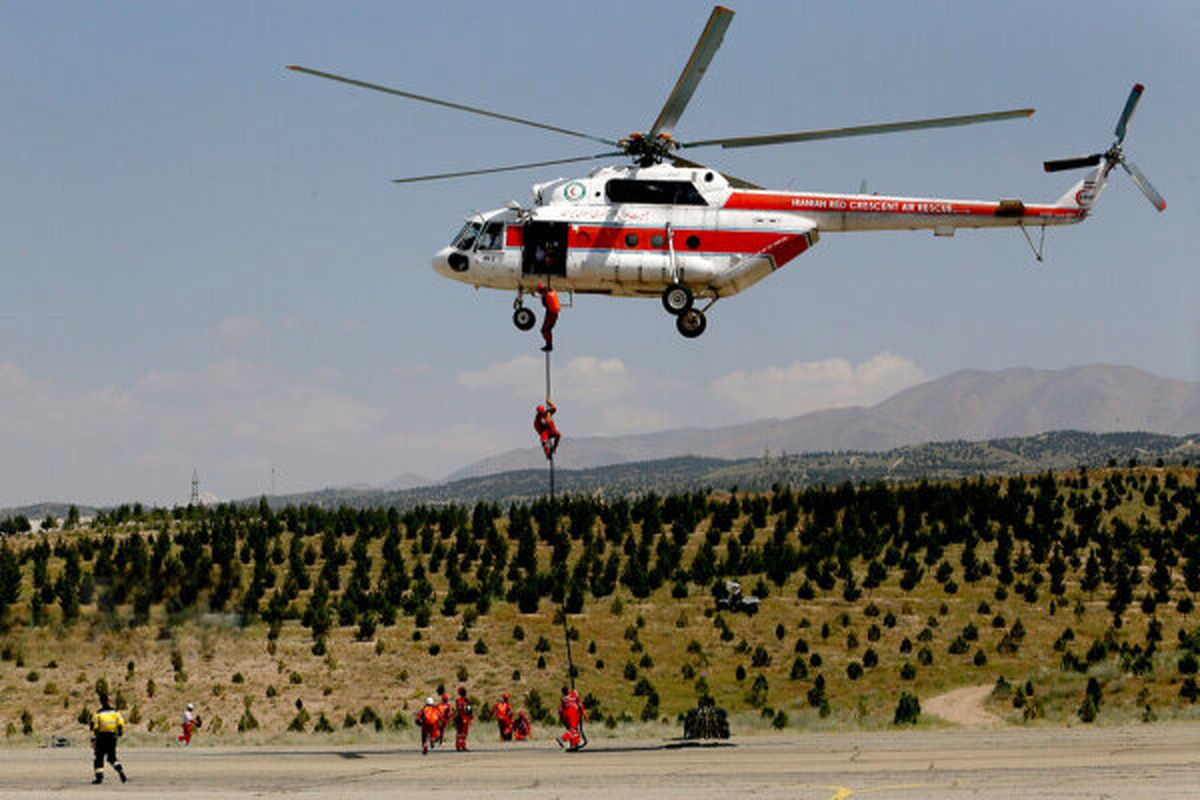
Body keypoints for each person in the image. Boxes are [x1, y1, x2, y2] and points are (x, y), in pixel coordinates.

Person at [90, 692, 127, 784]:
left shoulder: (98, 714)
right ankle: (120, 771)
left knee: (99, 757)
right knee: (112, 758)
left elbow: (93, 726)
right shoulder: (115, 713)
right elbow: (121, 723)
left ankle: (99, 777)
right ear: (108, 701)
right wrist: (120, 732)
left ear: (100, 702)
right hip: (112, 736)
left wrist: (93, 738)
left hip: (101, 737)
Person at [558, 685, 587, 751]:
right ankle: (563, 738)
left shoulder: (563, 698)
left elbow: (561, 709)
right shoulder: (573, 695)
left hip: (566, 714)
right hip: (572, 713)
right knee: (573, 729)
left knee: (574, 730)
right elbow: (579, 703)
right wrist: (584, 713)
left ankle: (574, 744)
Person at [536, 282, 560, 351]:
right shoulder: (553, 291)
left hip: (550, 313)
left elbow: (544, 305)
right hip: (555, 313)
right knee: (547, 330)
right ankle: (549, 344)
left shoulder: (546, 296)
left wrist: (543, 297)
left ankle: (549, 345)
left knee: (544, 330)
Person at [453, 686, 473, 752]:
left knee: (459, 732)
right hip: (465, 717)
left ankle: (459, 746)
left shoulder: (457, 701)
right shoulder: (466, 701)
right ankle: (462, 746)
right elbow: (469, 709)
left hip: (459, 717)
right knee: (464, 733)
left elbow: (458, 709)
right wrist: (470, 716)